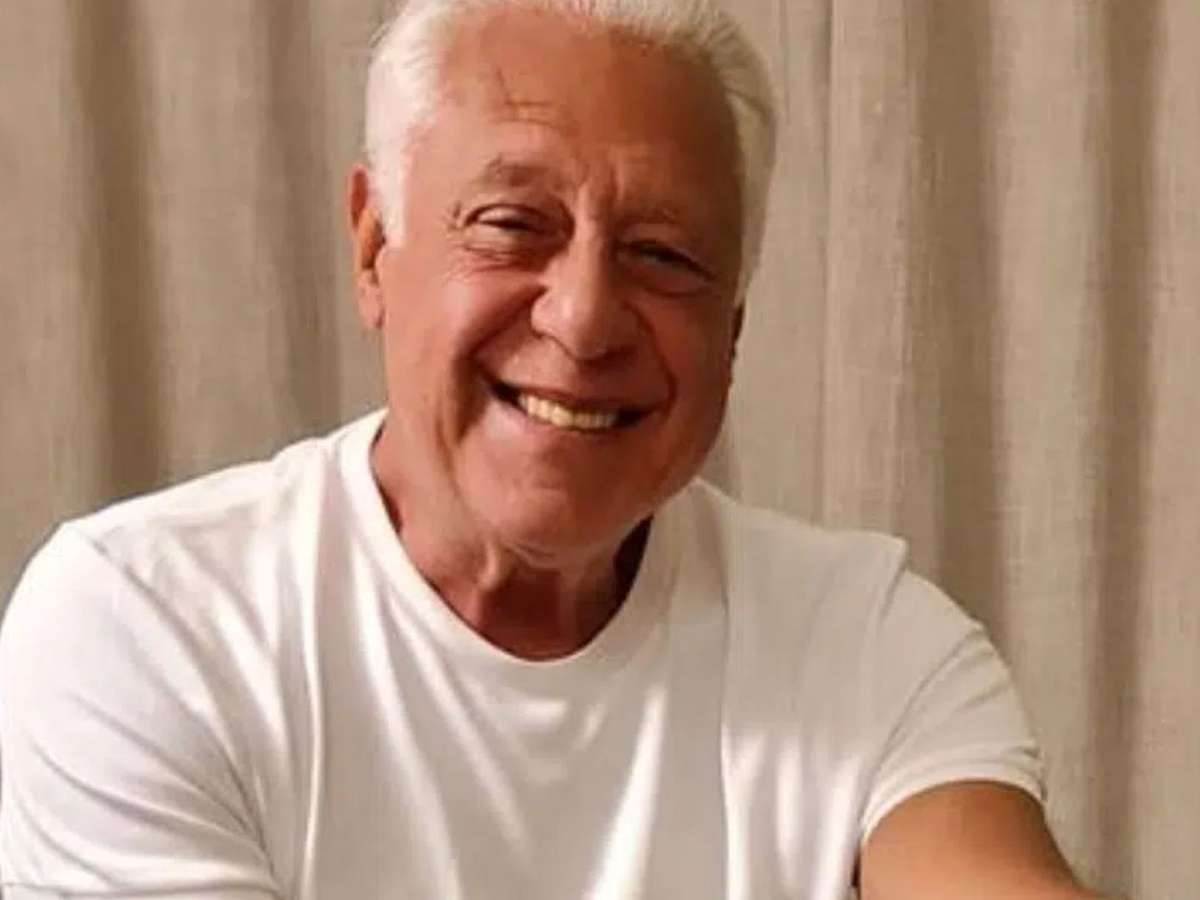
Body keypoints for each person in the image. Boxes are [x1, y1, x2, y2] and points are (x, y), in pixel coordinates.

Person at [0, 1, 1101, 898]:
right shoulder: (146, 623)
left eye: (663, 254)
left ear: (733, 326)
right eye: (511, 225)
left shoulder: (871, 641)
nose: (583, 319)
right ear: (375, 247)